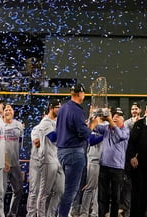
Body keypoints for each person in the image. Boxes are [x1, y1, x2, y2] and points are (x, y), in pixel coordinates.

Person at [57, 83, 101, 217]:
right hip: (73, 152)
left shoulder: (63, 108)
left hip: (62, 152)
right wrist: (93, 126)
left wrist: (88, 123)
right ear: (81, 94)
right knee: (70, 191)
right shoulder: (76, 110)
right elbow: (86, 136)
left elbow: (73, 128)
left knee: (67, 189)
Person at [26, 100, 62, 217]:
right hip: (45, 160)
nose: (60, 110)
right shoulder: (45, 122)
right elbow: (53, 138)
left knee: (60, 190)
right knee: (40, 192)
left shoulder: (58, 122)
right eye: (58, 107)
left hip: (57, 158)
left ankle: (50, 214)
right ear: (51, 108)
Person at [98, 107, 130, 217]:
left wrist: (111, 122)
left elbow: (120, 136)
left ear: (123, 119)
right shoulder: (106, 128)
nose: (115, 118)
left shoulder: (125, 131)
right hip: (104, 165)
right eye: (114, 115)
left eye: (118, 116)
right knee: (102, 195)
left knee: (116, 196)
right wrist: (94, 115)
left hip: (117, 168)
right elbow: (93, 128)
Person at [2, 104, 24, 217]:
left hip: (15, 163)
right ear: (2, 113)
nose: (8, 111)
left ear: (13, 112)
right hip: (1, 165)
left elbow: (20, 141)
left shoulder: (19, 125)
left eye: (10, 109)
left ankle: (12, 213)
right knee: (0, 192)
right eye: (6, 109)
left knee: (18, 190)